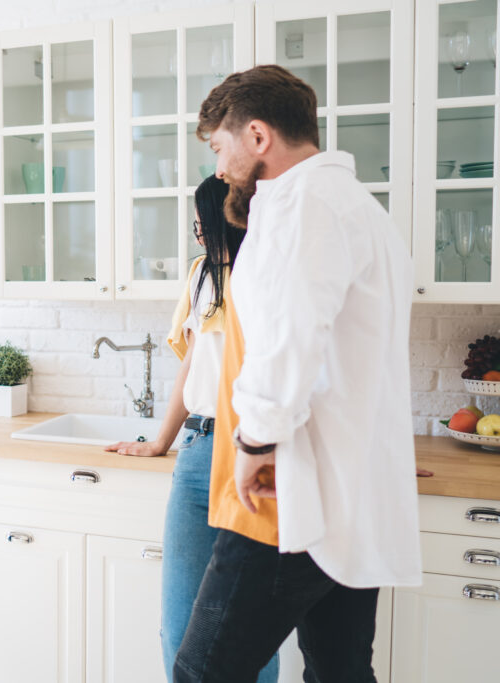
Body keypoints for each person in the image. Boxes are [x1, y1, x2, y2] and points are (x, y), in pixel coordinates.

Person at [172, 65, 422, 683]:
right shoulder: (362, 209)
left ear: (258, 136)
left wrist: (256, 442)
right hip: (348, 491)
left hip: (287, 493)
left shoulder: (299, 206)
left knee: (203, 672)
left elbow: (289, 338)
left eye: (219, 145)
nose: (221, 165)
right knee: (338, 672)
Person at [105, 176, 277, 683]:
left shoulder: (270, 276)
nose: (199, 238)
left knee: (251, 633)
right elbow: (193, 363)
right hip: (200, 453)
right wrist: (161, 440)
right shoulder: (202, 276)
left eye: (204, 228)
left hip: (255, 454)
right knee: (178, 628)